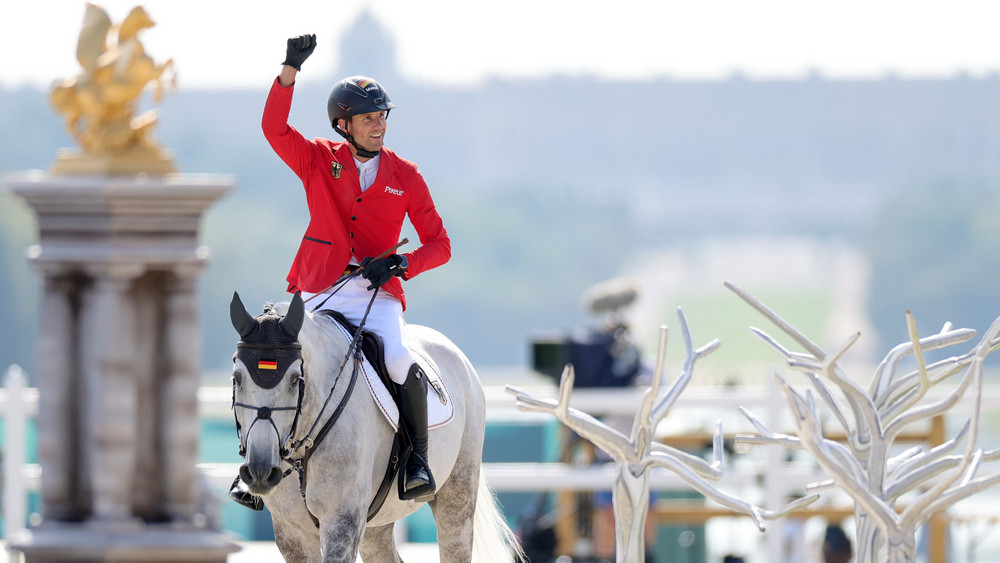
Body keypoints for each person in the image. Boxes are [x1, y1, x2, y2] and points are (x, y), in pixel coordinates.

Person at [230, 34, 451, 508]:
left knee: (398, 359)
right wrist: (289, 70)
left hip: (376, 294)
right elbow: (273, 128)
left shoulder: (406, 176)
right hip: (320, 285)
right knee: (275, 351)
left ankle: (416, 460)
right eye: (369, 118)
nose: (379, 125)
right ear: (343, 124)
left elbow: (441, 244)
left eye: (382, 116)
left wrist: (401, 262)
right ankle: (251, 465)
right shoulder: (317, 158)